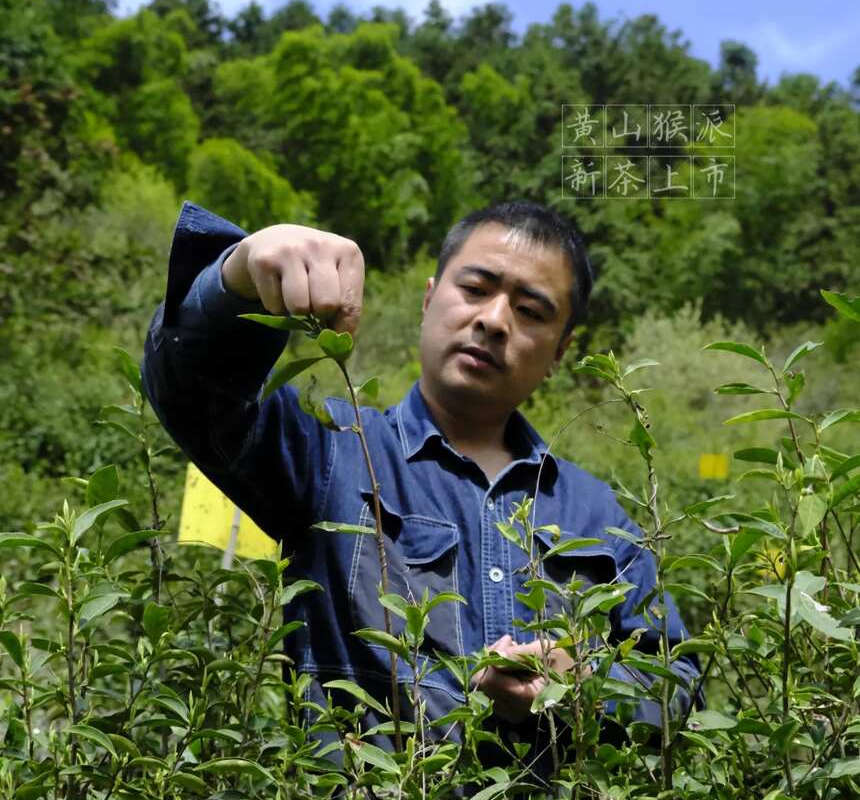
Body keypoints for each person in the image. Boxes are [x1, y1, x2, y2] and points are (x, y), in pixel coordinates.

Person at [141, 198, 700, 756]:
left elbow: (678, 684)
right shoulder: (330, 450)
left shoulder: (597, 514)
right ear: (429, 299)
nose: (494, 320)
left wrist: (583, 684)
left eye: (532, 310)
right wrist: (239, 271)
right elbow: (194, 388)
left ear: (561, 351)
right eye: (476, 288)